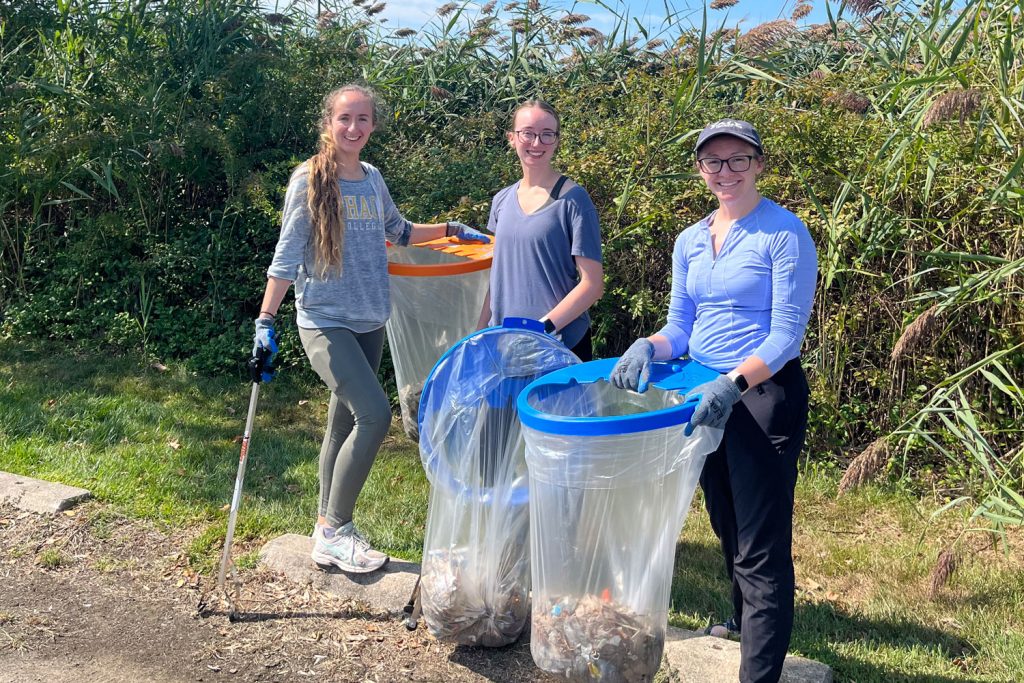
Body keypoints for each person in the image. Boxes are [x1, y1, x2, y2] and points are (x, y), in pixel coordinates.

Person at [610, 119, 817, 683]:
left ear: (758, 163)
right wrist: (647, 345)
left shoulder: (783, 232)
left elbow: (785, 335)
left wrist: (734, 382)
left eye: (737, 160)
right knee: (726, 524)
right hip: (701, 395)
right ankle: (743, 620)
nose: (725, 172)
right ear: (701, 169)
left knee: (758, 544)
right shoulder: (690, 239)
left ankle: (759, 675)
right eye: (713, 162)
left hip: (760, 395)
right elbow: (681, 324)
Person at [251, 84, 489, 574]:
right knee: (376, 416)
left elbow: (398, 231)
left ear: (373, 125)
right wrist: (265, 320)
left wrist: (447, 229)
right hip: (325, 321)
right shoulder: (310, 180)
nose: (353, 128)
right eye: (344, 119)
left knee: (342, 424)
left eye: (363, 119)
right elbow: (287, 254)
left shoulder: (372, 177)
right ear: (328, 123)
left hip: (369, 320)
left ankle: (324, 526)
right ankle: (337, 530)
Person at [476, 99, 603, 360]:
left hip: (559, 346)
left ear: (557, 141)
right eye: (528, 134)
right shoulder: (501, 200)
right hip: (506, 345)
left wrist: (541, 329)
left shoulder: (574, 200)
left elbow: (592, 284)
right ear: (512, 138)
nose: (537, 143)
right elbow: (495, 278)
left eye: (547, 135)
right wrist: (477, 336)